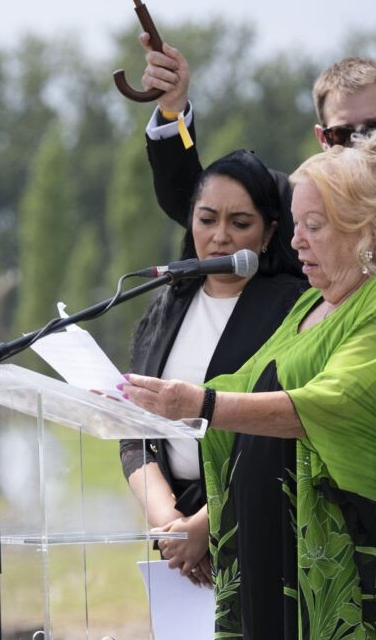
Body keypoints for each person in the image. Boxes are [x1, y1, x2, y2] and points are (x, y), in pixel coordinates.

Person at [137, 42, 376, 568]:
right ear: (320, 139)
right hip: (316, 509)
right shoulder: (299, 209)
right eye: (339, 135)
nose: (354, 148)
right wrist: (173, 112)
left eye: (370, 131)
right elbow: (200, 203)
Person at [119, 132, 376, 638]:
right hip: (284, 565)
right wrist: (144, 402)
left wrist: (200, 402)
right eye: (296, 226)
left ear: (366, 228)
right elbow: (243, 386)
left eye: (314, 226)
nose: (296, 242)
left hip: (363, 571)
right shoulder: (310, 305)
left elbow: (335, 403)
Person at [120, 149, 307, 587]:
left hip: (266, 523)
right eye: (206, 220)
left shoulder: (295, 307)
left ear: (269, 232)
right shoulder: (168, 302)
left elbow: (281, 431)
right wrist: (171, 526)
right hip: (175, 538)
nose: (220, 236)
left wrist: (208, 525)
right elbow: (135, 433)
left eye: (240, 223)